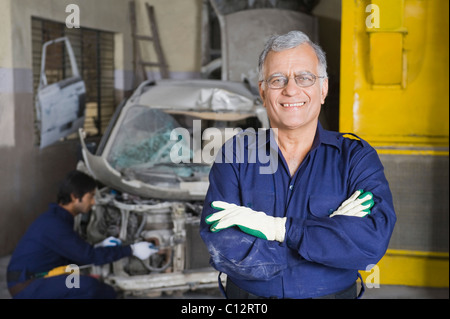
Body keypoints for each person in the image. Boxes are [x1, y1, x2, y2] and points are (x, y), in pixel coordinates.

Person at [200, 31, 396, 299]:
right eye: (277, 79)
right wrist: (328, 238)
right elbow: (223, 245)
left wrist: (278, 229)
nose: (291, 89)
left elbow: (371, 242)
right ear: (263, 91)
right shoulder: (235, 156)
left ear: (323, 89)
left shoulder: (356, 158)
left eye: (305, 78)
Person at [6, 170, 158, 299]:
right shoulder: (54, 225)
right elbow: (88, 256)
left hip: (38, 278)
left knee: (92, 285)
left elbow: (75, 252)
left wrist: (99, 247)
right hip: (27, 285)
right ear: (74, 197)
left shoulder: (58, 218)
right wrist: (132, 250)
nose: (93, 202)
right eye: (90, 196)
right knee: (91, 287)